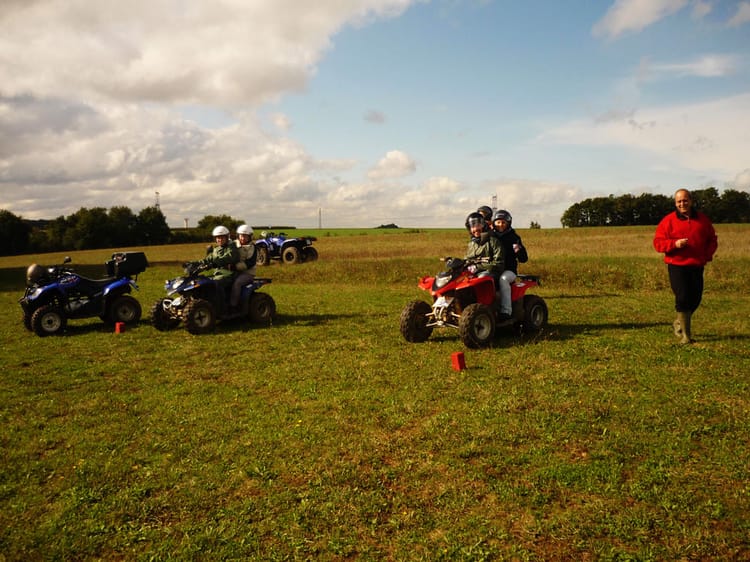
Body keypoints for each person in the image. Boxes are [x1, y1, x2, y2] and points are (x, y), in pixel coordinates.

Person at [653, 189, 718, 344]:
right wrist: (674, 244)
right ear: (675, 203)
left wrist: (706, 256)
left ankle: (678, 321)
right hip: (676, 265)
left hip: (696, 264)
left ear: (691, 201)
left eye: (685, 200)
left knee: (695, 298)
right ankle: (686, 337)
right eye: (679, 201)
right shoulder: (667, 221)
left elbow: (712, 240)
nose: (682, 204)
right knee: (682, 297)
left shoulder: (703, 220)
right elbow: (658, 244)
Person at [492, 209, 528, 320]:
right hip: (494, 268)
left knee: (503, 280)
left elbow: (523, 259)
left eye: (503, 222)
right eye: (498, 222)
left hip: (509, 270)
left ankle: (506, 311)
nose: (501, 225)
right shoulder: (491, 236)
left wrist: (519, 250)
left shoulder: (514, 237)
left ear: (508, 223)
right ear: (494, 223)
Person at [464, 212, 504, 285]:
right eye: (472, 226)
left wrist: (478, 267)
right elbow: (466, 260)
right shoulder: (471, 244)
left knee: (481, 279)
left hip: (491, 272)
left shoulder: (493, 241)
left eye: (478, 225)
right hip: (474, 272)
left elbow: (499, 263)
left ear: (484, 226)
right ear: (469, 229)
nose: (476, 229)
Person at [195, 225, 239, 290]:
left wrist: (213, 264)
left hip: (229, 275)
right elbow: (207, 259)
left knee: (216, 284)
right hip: (218, 274)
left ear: (227, 238)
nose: (220, 240)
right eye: (218, 238)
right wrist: (194, 263)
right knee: (202, 282)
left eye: (222, 238)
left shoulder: (232, 248)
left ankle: (220, 300)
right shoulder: (216, 249)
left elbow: (227, 258)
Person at [230, 224, 257, 309]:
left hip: (248, 273)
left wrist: (234, 267)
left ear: (250, 237)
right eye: (241, 236)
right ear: (238, 236)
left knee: (237, 283)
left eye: (245, 236)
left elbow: (250, 263)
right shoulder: (233, 244)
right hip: (233, 271)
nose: (243, 238)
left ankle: (233, 305)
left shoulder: (252, 247)